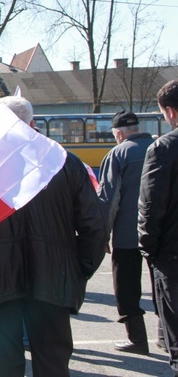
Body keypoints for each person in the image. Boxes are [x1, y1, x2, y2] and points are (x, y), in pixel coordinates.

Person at [0, 96, 107, 377]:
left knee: (3, 367)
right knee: (52, 364)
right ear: (33, 124)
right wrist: (80, 268)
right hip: (52, 278)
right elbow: (95, 225)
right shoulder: (66, 162)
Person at [98, 110, 154, 354]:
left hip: (127, 235)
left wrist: (103, 234)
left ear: (119, 134)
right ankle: (166, 336)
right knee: (165, 286)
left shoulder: (118, 154)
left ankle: (137, 339)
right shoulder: (162, 146)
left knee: (127, 287)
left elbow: (110, 199)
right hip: (163, 234)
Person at [138, 79, 178, 375]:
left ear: (171, 112)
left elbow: (151, 207)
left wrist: (148, 249)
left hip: (173, 258)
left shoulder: (164, 149)